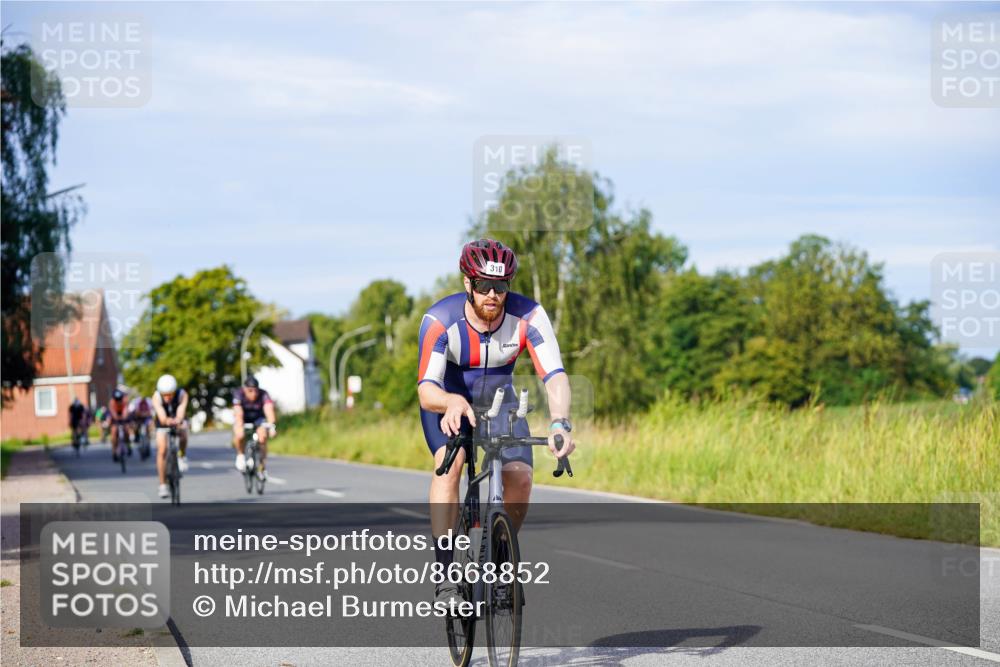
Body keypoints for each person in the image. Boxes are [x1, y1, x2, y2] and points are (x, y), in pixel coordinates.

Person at [417, 238, 575, 606]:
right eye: (484, 286)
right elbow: (427, 389)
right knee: (450, 466)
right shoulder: (440, 321)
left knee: (519, 475)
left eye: (501, 286)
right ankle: (445, 578)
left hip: (499, 401)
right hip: (448, 399)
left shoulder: (530, 316)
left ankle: (502, 560)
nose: (493, 294)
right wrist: (450, 400)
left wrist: (560, 423)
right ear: (467, 284)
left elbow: (554, 375)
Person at [152, 374, 190, 498]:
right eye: (165, 395)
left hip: (177, 418)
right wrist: (166, 421)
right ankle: (162, 484)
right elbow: (161, 416)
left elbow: (181, 410)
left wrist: (178, 420)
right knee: (162, 450)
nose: (167, 397)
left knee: (183, 433)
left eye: (170, 394)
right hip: (163, 423)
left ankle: (182, 456)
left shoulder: (182, 394)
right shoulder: (156, 397)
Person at [232, 376, 277, 476]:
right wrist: (239, 425)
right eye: (250, 390)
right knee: (239, 434)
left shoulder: (264, 394)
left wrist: (272, 426)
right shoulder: (239, 393)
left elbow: (269, 409)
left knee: (262, 437)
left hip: (258, 419)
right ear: (245, 389)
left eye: (256, 390)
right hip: (243, 418)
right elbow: (238, 412)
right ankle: (240, 455)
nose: (254, 393)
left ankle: (262, 466)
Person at [108, 389, 131, 461]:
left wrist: (124, 416)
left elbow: (126, 411)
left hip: (123, 416)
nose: (118, 401)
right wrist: (116, 418)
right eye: (116, 400)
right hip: (115, 417)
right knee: (114, 432)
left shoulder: (125, 401)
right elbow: (113, 413)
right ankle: (114, 452)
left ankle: (128, 445)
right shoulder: (112, 402)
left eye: (119, 399)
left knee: (127, 430)